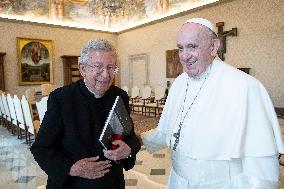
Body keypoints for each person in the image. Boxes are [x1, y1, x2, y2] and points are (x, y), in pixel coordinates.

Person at [141, 18, 284, 188]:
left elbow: (260, 161)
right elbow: (168, 131)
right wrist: (139, 140)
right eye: (180, 48)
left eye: (192, 46)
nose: (185, 56)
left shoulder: (245, 86)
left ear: (214, 47)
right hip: (178, 181)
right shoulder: (179, 83)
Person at [31, 38, 141, 189]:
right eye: (98, 66)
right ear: (82, 68)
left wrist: (129, 149)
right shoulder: (61, 99)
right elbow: (41, 148)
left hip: (111, 183)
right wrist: (72, 168)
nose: (106, 75)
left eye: (111, 67)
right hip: (73, 184)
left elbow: (130, 136)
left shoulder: (119, 96)